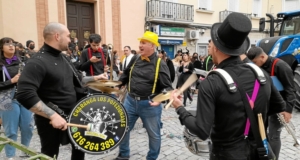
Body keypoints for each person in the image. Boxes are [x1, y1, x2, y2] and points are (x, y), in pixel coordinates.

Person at [170, 12, 286, 160]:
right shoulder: (261, 74)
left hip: (226, 154)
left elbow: (201, 130)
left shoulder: (212, 83)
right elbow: (278, 106)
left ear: (216, 48)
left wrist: (180, 108)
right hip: (260, 151)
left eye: (211, 43)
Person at [16, 22, 86, 160]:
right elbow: (24, 93)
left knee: (79, 151)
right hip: (49, 120)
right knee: (50, 155)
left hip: (73, 115)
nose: (70, 40)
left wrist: (97, 79)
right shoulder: (37, 62)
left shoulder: (63, 57)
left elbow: (76, 79)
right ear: (57, 36)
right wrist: (53, 116)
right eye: (67, 36)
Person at [115, 31, 173, 160]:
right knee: (123, 129)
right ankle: (123, 154)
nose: (140, 45)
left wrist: (160, 100)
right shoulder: (135, 58)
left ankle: (151, 158)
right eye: (140, 42)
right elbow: (126, 74)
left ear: (152, 46)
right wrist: (118, 85)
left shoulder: (160, 63)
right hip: (130, 101)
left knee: (154, 135)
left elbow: (167, 87)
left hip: (149, 105)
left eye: (143, 43)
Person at [247, 46, 296, 159]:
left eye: (255, 62)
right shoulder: (259, 67)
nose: (254, 65)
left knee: (274, 136)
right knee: (262, 134)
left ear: (263, 57)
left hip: (279, 108)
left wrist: (288, 110)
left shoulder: (281, 66)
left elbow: (291, 89)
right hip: (265, 107)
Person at [0, 37, 33, 160]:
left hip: (24, 97)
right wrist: (11, 81)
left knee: (28, 126)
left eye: (13, 43)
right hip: (5, 98)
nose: (11, 46)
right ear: (1, 47)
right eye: (7, 44)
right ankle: (10, 155)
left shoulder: (22, 61)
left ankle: (25, 150)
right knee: (11, 129)